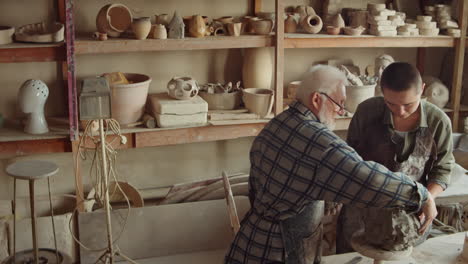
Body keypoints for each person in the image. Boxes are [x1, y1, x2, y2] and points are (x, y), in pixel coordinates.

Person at [224, 65, 438, 264]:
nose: (342, 111)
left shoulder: (277, 124)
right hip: (280, 252)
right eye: (339, 103)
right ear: (317, 99)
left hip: (248, 242)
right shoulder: (320, 143)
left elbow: (255, 189)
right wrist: (420, 194)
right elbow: (369, 181)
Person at [336, 62, 455, 253]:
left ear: (422, 90)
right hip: (364, 207)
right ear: (382, 92)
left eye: (408, 104)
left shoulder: (438, 121)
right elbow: (350, 161)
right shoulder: (367, 112)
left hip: (410, 210)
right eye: (391, 103)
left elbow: (442, 169)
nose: (400, 111)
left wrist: (428, 198)